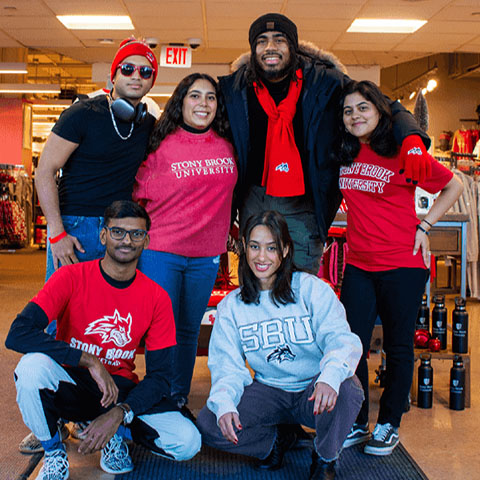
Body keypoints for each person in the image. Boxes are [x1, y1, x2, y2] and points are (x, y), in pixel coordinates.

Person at [219, 12, 432, 273]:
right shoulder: (237, 88)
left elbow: (383, 106)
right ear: (254, 50)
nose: (270, 48)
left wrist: (412, 138)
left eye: (279, 40)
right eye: (261, 41)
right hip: (253, 200)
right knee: (255, 283)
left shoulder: (325, 83)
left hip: (305, 204)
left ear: (294, 47)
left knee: (302, 287)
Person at [5, 201, 201, 480]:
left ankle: (112, 434)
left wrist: (122, 412)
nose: (127, 241)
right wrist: (87, 360)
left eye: (136, 234)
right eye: (118, 232)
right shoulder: (69, 277)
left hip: (117, 391)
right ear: (103, 235)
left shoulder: (157, 297)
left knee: (187, 441)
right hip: (71, 382)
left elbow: (160, 377)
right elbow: (18, 332)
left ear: (146, 240)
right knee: (30, 368)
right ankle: (53, 451)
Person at [335, 80, 463, 456]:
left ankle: (389, 423)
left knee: (398, 345)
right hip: (359, 263)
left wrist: (425, 226)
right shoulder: (344, 152)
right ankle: (357, 420)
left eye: (363, 108)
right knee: (351, 345)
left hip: (402, 263)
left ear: (379, 111)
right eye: (348, 111)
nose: (355, 116)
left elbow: (453, 186)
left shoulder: (402, 152)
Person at [196, 211, 364, 480]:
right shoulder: (232, 306)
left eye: (271, 248)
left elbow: (341, 340)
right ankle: (274, 441)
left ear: (285, 250)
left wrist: (329, 377)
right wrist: (226, 404)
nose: (261, 257)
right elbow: (227, 366)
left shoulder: (311, 289)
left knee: (347, 387)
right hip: (268, 390)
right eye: (254, 246)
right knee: (209, 423)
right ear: (244, 249)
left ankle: (325, 458)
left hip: (313, 392)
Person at [133, 73, 237, 414]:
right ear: (181, 101)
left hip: (206, 253)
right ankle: (157, 393)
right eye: (195, 96)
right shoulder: (160, 143)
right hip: (162, 249)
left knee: (190, 328)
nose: (203, 103)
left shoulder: (227, 143)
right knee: (162, 328)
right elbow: (138, 194)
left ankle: (177, 397)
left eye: (210, 97)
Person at [35, 37, 158, 279]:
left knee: (112, 309)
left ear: (151, 82)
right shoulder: (81, 114)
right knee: (65, 307)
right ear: (114, 76)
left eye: (145, 72)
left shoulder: (148, 124)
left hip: (122, 227)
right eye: (128, 69)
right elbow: (45, 171)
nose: (136, 76)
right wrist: (57, 232)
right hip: (75, 225)